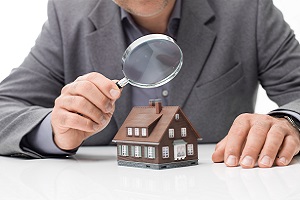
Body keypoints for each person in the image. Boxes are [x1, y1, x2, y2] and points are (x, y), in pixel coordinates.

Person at [0, 0, 300, 169]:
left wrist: (289, 122)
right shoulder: (69, 15)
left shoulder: (248, 9)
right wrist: (54, 130)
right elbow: (4, 110)